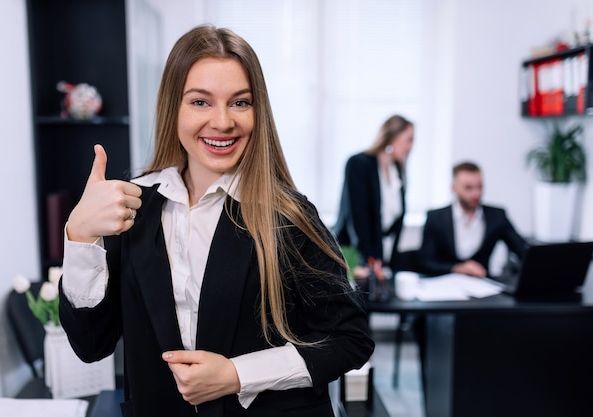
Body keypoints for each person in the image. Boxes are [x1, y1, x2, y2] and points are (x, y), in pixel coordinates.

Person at [58, 25, 374, 417]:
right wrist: (81, 235)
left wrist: (237, 374)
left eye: (240, 102)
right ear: (173, 106)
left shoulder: (287, 215)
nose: (222, 122)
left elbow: (350, 339)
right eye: (200, 102)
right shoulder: (132, 207)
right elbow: (91, 346)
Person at [333, 115, 414, 282]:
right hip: (353, 255)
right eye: (409, 139)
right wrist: (368, 259)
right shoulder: (359, 164)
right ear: (393, 136)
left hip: (378, 259)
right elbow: (358, 217)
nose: (411, 147)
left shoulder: (397, 172)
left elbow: (393, 223)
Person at [417, 161, 528, 277]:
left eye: (479, 187)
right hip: (444, 285)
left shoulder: (497, 216)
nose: (476, 193)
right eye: (468, 188)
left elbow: (522, 249)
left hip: (483, 286)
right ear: (454, 188)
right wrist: (457, 268)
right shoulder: (436, 218)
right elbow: (424, 262)